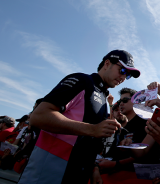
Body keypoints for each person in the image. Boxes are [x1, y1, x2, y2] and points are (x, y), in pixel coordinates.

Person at [19, 49, 140, 184]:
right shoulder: (82, 81)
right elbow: (38, 116)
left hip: (75, 174)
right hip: (48, 172)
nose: (123, 77)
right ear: (107, 63)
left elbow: (88, 141)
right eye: (122, 70)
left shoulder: (102, 97)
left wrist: (93, 169)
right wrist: (92, 129)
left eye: (128, 75)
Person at [97, 87, 147, 172]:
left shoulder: (145, 123)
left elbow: (144, 155)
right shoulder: (124, 128)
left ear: (136, 101)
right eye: (120, 101)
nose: (121, 104)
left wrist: (114, 164)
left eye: (125, 100)